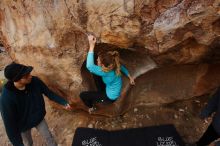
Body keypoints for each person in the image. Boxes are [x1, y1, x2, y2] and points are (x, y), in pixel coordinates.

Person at [0, 62, 71, 146]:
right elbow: (9, 125)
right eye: (26, 76)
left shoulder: (35, 81)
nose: (30, 76)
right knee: (28, 143)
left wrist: (63, 102)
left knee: (49, 138)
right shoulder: (6, 98)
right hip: (23, 125)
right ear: (17, 80)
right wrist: (18, 144)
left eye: (29, 73)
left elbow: (48, 93)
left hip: (38, 117)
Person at [80, 34, 135, 113]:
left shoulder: (105, 72)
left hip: (109, 97)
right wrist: (130, 77)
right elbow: (122, 67)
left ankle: (91, 107)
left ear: (103, 66)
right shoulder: (114, 64)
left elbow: (90, 66)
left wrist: (91, 45)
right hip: (110, 86)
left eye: (98, 61)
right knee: (95, 74)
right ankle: (99, 92)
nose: (97, 61)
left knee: (82, 95)